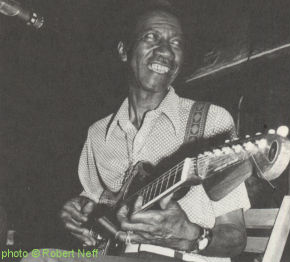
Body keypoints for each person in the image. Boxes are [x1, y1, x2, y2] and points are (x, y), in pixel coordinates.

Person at [59, 2, 250, 262]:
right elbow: (95, 206)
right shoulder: (97, 134)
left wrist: (190, 234)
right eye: (151, 37)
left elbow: (236, 238)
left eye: (176, 43)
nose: (165, 51)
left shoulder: (211, 121)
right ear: (124, 50)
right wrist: (81, 213)